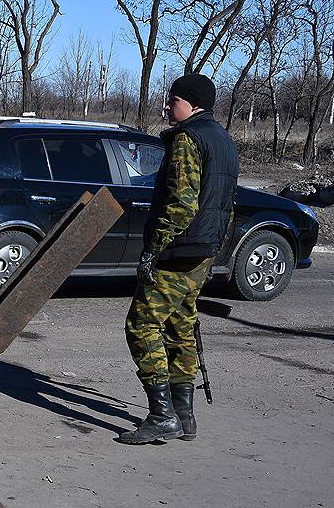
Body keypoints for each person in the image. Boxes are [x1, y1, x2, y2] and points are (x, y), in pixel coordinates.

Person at [118, 74, 239, 445]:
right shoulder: (223, 140)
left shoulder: (189, 139)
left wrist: (153, 252)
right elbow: (225, 203)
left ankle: (162, 415)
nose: (167, 106)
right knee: (180, 326)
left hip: (179, 250)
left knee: (141, 325)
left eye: (172, 100)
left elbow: (182, 204)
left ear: (192, 103)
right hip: (203, 250)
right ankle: (185, 416)